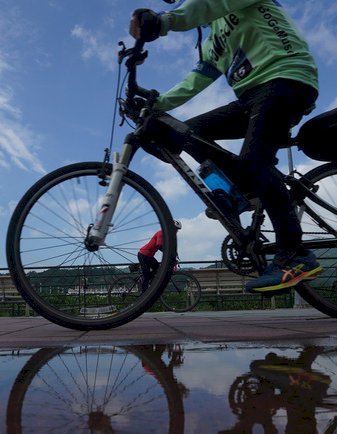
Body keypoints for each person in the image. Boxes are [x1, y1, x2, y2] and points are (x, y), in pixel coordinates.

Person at [129, 0, 323, 293]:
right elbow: (195, 81)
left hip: (286, 79)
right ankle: (243, 191)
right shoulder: (212, 40)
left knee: (256, 162)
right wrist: (155, 103)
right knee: (190, 131)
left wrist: (164, 22)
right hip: (251, 97)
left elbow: (208, 5)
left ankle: (294, 255)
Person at [138, 220, 181, 292]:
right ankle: (143, 294)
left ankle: (147, 280)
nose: (176, 231)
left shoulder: (167, 236)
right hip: (143, 255)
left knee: (159, 270)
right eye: (175, 229)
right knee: (147, 276)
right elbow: (159, 245)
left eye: (177, 230)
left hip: (149, 256)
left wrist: (175, 253)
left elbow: (171, 247)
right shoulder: (161, 233)